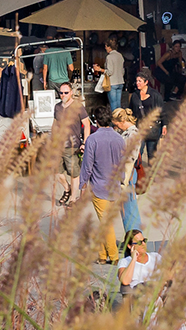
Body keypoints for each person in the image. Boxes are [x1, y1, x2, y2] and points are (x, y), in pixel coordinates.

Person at [80, 111, 126, 263]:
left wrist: (82, 184)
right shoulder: (119, 139)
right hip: (115, 186)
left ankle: (112, 256)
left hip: (99, 186)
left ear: (96, 121)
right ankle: (102, 255)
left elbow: (87, 165)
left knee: (105, 223)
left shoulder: (93, 140)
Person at [111, 107, 144, 233]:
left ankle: (134, 236)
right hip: (127, 172)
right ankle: (132, 235)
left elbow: (129, 157)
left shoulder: (132, 134)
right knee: (128, 207)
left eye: (118, 124)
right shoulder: (131, 132)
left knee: (129, 208)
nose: (118, 127)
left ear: (123, 120)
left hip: (127, 173)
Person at [56, 81, 87, 206]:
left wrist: (85, 142)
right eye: (61, 93)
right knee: (56, 172)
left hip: (72, 146)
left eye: (66, 92)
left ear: (71, 93)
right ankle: (67, 189)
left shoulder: (78, 107)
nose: (63, 95)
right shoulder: (57, 107)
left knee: (74, 174)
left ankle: (73, 198)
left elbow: (87, 124)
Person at [116, 229, 159, 308]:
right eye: (139, 242)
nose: (143, 244)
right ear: (130, 246)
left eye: (144, 240)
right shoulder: (125, 262)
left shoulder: (156, 257)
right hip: (141, 297)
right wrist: (133, 260)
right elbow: (125, 281)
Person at [94, 39, 125, 113]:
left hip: (112, 83)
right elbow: (123, 70)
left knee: (113, 106)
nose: (105, 48)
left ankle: (114, 123)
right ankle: (119, 121)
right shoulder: (120, 55)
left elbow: (110, 72)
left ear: (109, 47)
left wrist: (99, 69)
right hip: (120, 82)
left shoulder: (109, 57)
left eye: (106, 46)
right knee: (118, 106)